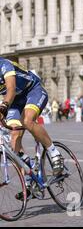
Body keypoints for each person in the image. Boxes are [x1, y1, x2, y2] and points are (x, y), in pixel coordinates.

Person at [0, 57, 64, 200]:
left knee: (27, 121)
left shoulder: (4, 65)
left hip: (33, 91)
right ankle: (30, 181)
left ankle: (54, 153)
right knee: (14, 136)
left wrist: (3, 108)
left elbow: (10, 90)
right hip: (16, 102)